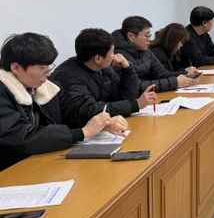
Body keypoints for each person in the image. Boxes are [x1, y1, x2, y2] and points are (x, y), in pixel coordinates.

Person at [0, 33, 126, 171]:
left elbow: (74, 108)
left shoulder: (46, 87)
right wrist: (83, 132)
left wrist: (102, 122)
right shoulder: (3, 93)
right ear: (16, 68)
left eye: (49, 67)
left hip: (42, 162)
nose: (48, 73)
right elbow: (20, 137)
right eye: (42, 68)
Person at [53, 28, 156, 127]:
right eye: (112, 52)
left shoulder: (104, 68)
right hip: (79, 132)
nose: (115, 55)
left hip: (105, 126)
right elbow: (89, 111)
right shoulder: (67, 76)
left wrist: (128, 69)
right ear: (98, 58)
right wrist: (135, 105)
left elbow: (125, 98)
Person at [113, 16, 197, 92]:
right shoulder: (119, 56)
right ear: (131, 37)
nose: (149, 40)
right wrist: (175, 82)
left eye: (150, 35)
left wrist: (186, 74)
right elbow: (135, 86)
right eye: (147, 36)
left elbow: (162, 74)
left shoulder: (145, 50)